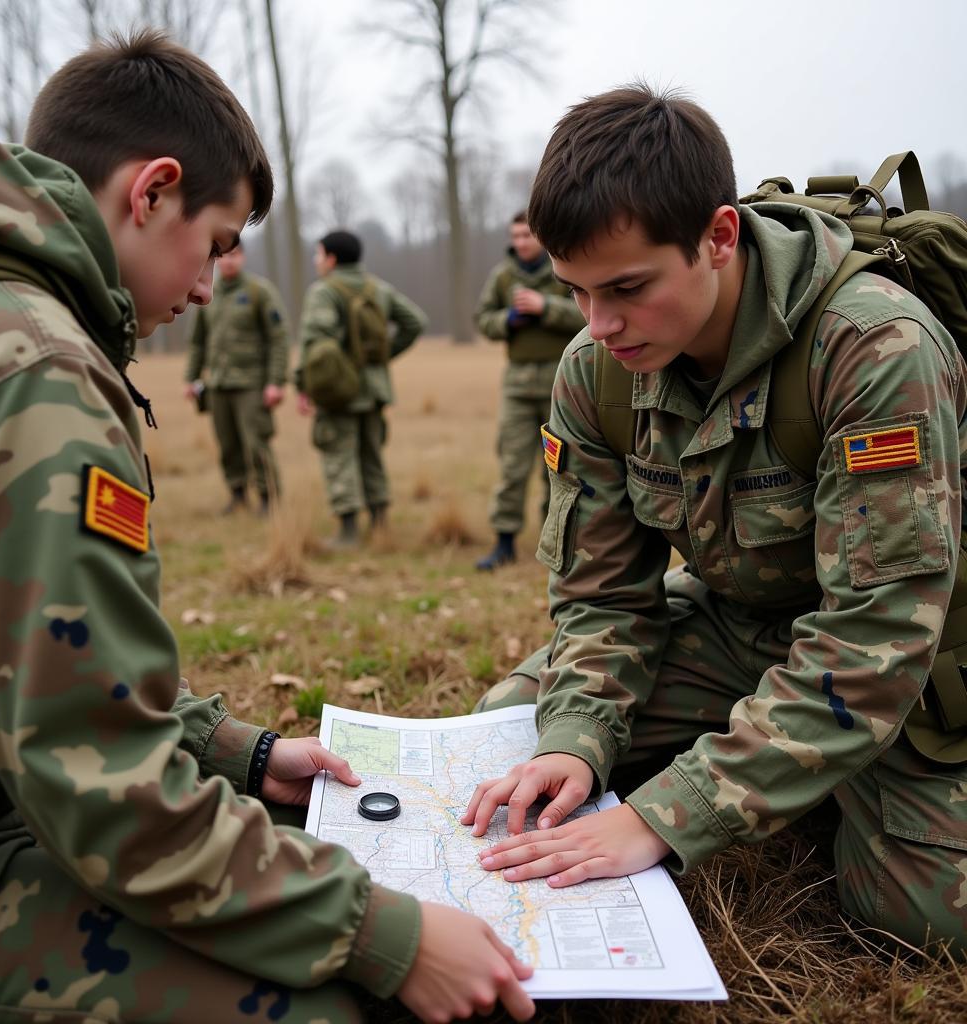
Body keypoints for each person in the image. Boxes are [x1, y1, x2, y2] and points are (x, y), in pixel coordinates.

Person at [0, 32, 534, 1023]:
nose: (215, 282)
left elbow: (21, 667)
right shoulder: (34, 367)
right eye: (216, 242)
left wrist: (239, 755)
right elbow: (102, 788)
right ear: (153, 190)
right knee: (320, 1008)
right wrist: (380, 932)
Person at [461, 83, 967, 954]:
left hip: (908, 654)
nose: (600, 324)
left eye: (626, 287)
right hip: (740, 630)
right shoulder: (595, 371)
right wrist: (579, 743)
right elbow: (605, 600)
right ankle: (780, 774)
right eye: (575, 291)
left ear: (718, 238)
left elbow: (874, 640)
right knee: (516, 734)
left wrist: (667, 815)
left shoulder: (874, 348)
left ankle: (823, 792)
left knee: (924, 914)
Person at [297, 230, 427, 548]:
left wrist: (305, 384)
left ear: (331, 258)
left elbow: (317, 343)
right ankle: (380, 523)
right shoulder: (378, 288)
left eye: (318, 255)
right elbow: (415, 322)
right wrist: (381, 360)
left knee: (338, 456)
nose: (316, 262)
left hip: (339, 391)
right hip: (375, 390)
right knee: (371, 456)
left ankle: (348, 533)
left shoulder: (323, 292)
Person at [474, 211, 586, 570]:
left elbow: (587, 314)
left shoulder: (565, 267)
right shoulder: (503, 276)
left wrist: (545, 308)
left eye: (527, 235)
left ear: (540, 236)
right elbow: (482, 320)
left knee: (558, 467)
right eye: (516, 236)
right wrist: (507, 320)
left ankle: (554, 542)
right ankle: (504, 542)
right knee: (512, 465)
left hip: (562, 384)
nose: (521, 243)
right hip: (517, 387)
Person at [184, 239, 289, 516]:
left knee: (256, 443)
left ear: (242, 258)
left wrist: (276, 382)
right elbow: (198, 342)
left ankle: (269, 498)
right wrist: (190, 378)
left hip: (252, 384)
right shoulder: (209, 293)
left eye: (235, 255)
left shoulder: (259, 292)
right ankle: (237, 494)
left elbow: (278, 339)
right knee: (227, 444)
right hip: (218, 384)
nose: (229, 261)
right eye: (224, 257)